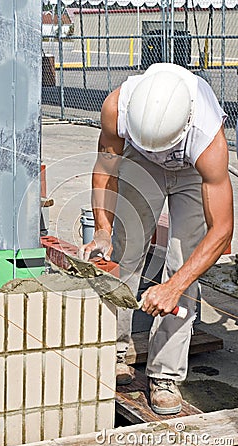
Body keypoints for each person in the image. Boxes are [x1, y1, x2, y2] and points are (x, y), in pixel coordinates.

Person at [79, 62, 233, 415]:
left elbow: (222, 229)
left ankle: (164, 375)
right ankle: (113, 351)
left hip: (192, 172)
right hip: (140, 164)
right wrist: (103, 227)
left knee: (183, 266)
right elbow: (105, 169)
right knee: (122, 252)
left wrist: (173, 286)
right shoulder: (118, 108)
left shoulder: (207, 134)